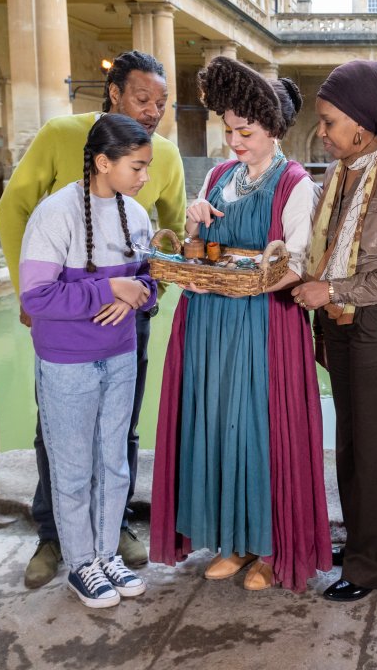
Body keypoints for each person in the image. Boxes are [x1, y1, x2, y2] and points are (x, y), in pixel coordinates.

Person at [0, 50, 186, 589]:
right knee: (57, 435)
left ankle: (110, 536)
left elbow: (165, 244)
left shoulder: (158, 162)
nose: (152, 111)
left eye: (162, 103)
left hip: (125, 324)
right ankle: (56, 536)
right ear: (114, 94)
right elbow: (16, 211)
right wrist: (27, 294)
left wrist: (142, 295)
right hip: (64, 323)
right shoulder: (60, 139)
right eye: (143, 99)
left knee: (117, 433)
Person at [149, 56, 330, 593]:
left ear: (273, 129)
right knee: (217, 425)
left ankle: (274, 548)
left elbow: (296, 265)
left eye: (245, 132)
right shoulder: (219, 176)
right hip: (207, 319)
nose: (234, 141)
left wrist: (250, 270)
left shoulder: (296, 183)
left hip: (263, 327)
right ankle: (236, 541)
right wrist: (195, 222)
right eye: (228, 130)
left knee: (260, 430)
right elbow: (196, 247)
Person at [291, 53, 377, 602]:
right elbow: (327, 248)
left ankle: (374, 566)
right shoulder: (341, 174)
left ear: (363, 124)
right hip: (345, 328)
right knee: (351, 445)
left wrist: (334, 290)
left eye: (329, 121)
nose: (321, 131)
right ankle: (360, 546)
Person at [19, 113, 157, 608]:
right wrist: (108, 288)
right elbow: (35, 297)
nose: (144, 177)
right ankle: (80, 563)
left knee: (114, 463)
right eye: (137, 167)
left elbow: (150, 279)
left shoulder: (136, 216)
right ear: (103, 162)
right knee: (74, 468)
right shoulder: (55, 214)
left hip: (120, 357)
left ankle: (105, 554)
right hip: (66, 364)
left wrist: (136, 291)